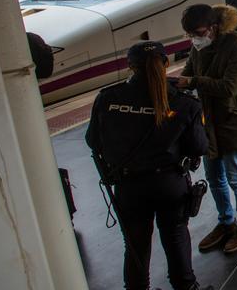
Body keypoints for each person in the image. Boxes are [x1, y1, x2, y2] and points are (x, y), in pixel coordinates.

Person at [86, 41, 211, 290]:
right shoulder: (185, 103)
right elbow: (198, 147)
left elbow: (93, 141)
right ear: (165, 63)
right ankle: (186, 286)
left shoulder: (108, 99)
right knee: (175, 236)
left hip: (128, 185)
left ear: (130, 66)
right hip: (169, 184)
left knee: (135, 243)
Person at [177, 4, 237, 254]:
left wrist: (192, 82)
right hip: (208, 122)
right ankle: (226, 221)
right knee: (214, 178)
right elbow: (188, 74)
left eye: (198, 33)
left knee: (235, 175)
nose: (195, 39)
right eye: (190, 34)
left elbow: (229, 88)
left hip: (234, 120)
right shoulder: (199, 47)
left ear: (213, 27)